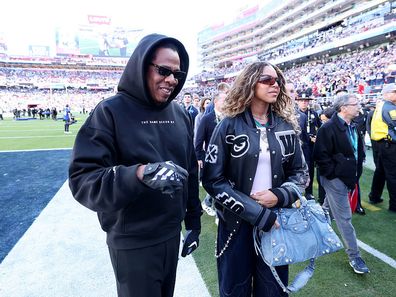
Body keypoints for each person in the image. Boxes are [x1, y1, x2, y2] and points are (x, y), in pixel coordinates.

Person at [68, 33, 202, 297]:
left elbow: (190, 171)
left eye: (177, 73)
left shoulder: (180, 114)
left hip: (170, 234)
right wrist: (139, 174)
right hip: (133, 241)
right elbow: (83, 179)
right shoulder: (109, 112)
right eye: (164, 71)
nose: (171, 80)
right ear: (142, 66)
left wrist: (194, 222)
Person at [202, 61, 308, 297]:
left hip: (276, 223)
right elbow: (211, 180)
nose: (276, 85)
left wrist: (279, 196)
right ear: (250, 83)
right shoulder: (228, 125)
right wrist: (257, 214)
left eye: (278, 81)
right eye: (267, 80)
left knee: (273, 291)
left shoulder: (285, 125)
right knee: (234, 290)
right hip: (235, 224)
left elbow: (300, 173)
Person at [313, 94, 370, 274]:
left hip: (348, 176)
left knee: (326, 208)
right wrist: (333, 175)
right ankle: (355, 256)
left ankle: (315, 229)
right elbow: (321, 156)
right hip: (335, 179)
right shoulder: (328, 128)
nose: (358, 106)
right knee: (344, 218)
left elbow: (356, 151)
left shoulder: (353, 125)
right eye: (355, 104)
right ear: (343, 107)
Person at [195, 92, 226, 217]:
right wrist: (199, 157)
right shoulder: (206, 119)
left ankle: (213, 206)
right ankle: (210, 205)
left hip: (228, 158)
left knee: (224, 185)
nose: (227, 102)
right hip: (212, 158)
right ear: (216, 102)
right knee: (217, 185)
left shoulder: (229, 117)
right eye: (224, 100)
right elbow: (199, 140)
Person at [370, 83, 396, 212]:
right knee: (392, 175)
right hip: (389, 145)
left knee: (380, 172)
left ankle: (374, 196)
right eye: (394, 92)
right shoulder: (390, 108)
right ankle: (394, 205)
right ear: (386, 94)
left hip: (380, 144)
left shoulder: (381, 105)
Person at [295, 93, 321, 200]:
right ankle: (296, 192)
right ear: (297, 102)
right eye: (301, 100)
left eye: (306, 100)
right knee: (296, 168)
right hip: (297, 145)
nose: (304, 102)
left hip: (310, 146)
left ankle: (309, 192)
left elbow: (320, 127)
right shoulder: (293, 114)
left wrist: (316, 137)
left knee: (310, 168)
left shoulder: (314, 114)